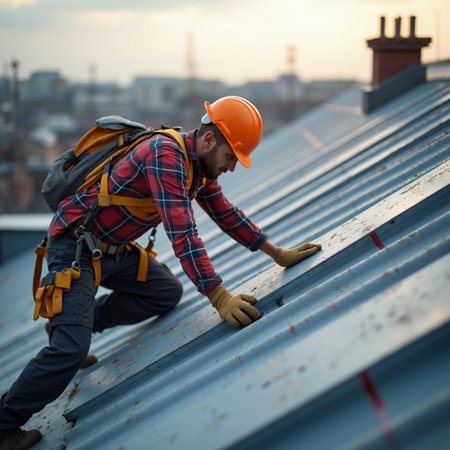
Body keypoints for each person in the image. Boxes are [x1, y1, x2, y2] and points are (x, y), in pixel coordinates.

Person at [0, 96, 321, 449]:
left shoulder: (198, 167)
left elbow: (226, 213)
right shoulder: (165, 154)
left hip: (113, 250)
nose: (231, 167)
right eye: (231, 157)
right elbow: (183, 232)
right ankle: (4, 424)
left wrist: (276, 253)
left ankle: (79, 319)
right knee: (70, 352)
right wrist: (219, 296)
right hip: (75, 248)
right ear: (210, 140)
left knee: (165, 292)